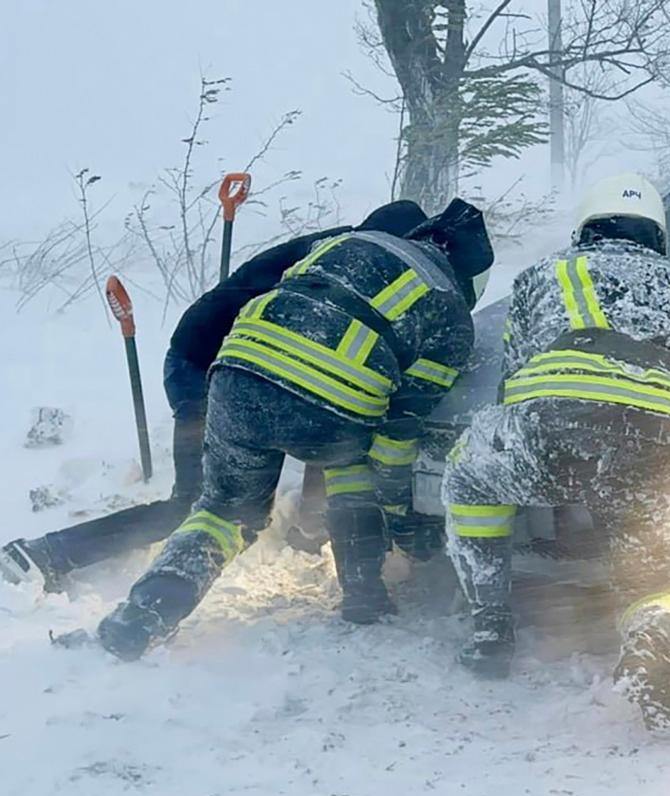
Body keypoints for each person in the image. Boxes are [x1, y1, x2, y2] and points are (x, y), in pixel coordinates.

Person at [82, 198, 494, 661]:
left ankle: (143, 616)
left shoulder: (344, 244)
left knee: (223, 513)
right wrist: (402, 518)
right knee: (352, 468)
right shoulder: (450, 312)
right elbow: (399, 433)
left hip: (236, 378)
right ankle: (363, 597)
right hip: (328, 409)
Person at [442, 173, 670, 739]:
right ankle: (653, 645)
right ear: (657, 234)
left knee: (470, 477)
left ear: (585, 228)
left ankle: (490, 626)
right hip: (669, 440)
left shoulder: (546, 274)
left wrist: (547, 458)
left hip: (557, 424)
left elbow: (515, 379)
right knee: (665, 575)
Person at [0, 201, 429, 590]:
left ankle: (305, 531)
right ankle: (46, 553)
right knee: (194, 505)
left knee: (329, 418)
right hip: (205, 369)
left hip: (249, 369)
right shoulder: (350, 265)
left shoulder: (345, 252)